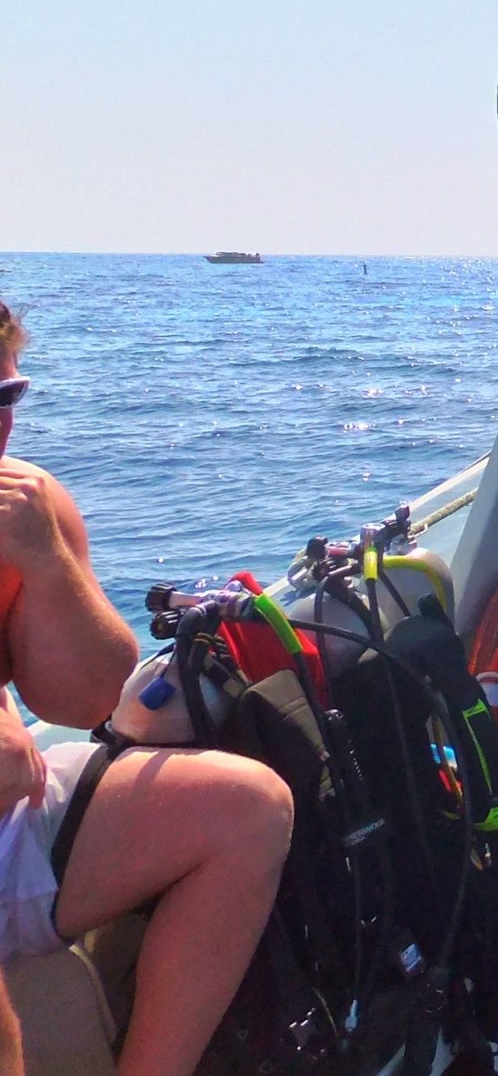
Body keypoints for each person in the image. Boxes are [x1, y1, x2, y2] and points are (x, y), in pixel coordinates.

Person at [0, 299, 296, 1076]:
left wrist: (45, 558)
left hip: (11, 828)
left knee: (248, 806)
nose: (0, 426)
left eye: (8, 398)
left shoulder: (26, 507)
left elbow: (88, 700)